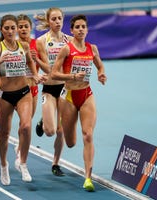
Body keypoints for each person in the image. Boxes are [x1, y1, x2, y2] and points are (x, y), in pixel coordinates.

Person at [51, 14, 107, 191]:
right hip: (68, 97)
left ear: (87, 30)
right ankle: (63, 123)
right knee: (70, 142)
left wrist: (101, 73)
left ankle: (88, 178)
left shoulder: (93, 48)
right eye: (77, 27)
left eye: (84, 27)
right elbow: (54, 74)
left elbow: (100, 65)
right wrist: (72, 76)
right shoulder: (66, 49)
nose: (81, 29)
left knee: (88, 135)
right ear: (72, 30)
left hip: (86, 95)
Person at [0, 14, 42, 185]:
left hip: (24, 92)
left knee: (25, 126)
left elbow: (30, 62)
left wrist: (36, 75)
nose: (10, 31)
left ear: (16, 29)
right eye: (7, 28)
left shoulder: (23, 45)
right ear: (1, 29)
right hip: (5, 96)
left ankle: (23, 162)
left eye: (13, 28)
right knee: (4, 134)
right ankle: (4, 165)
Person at [34, 7, 73, 176]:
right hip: (49, 88)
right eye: (54, 19)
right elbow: (47, 67)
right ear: (48, 21)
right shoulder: (42, 41)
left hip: (64, 88)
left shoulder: (70, 41)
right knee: (50, 131)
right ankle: (43, 122)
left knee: (60, 130)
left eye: (60, 19)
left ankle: (55, 164)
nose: (57, 22)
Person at [14, 14, 47, 163]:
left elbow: (47, 67)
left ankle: (20, 146)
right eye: (20, 26)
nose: (23, 29)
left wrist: (36, 59)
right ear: (16, 29)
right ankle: (21, 153)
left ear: (30, 27)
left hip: (32, 89)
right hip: (16, 88)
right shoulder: (12, 44)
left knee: (26, 123)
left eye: (25, 26)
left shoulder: (38, 44)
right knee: (23, 121)